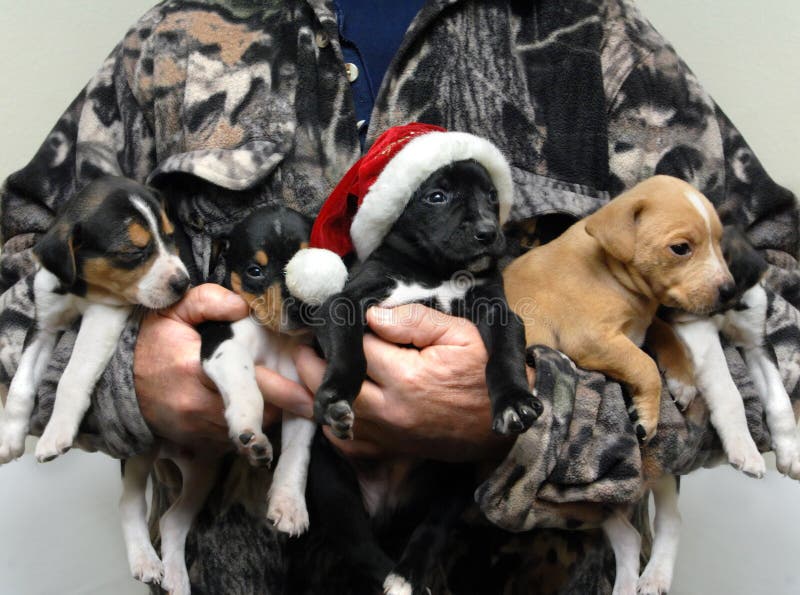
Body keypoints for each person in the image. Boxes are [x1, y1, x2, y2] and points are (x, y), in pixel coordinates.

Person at [1, 1, 798, 593]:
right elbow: (19, 258)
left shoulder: (588, 35)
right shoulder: (181, 35)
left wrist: (533, 414)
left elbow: (780, 294)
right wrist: (126, 382)